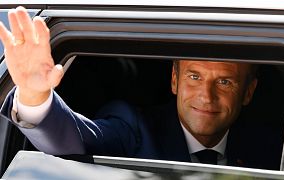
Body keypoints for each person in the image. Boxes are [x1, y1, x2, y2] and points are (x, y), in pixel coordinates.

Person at [0, 7, 262, 168]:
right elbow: (77, 142)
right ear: (174, 80)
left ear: (248, 92)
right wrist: (35, 96)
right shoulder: (135, 129)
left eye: (225, 82)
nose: (207, 96)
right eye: (194, 77)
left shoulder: (271, 147)